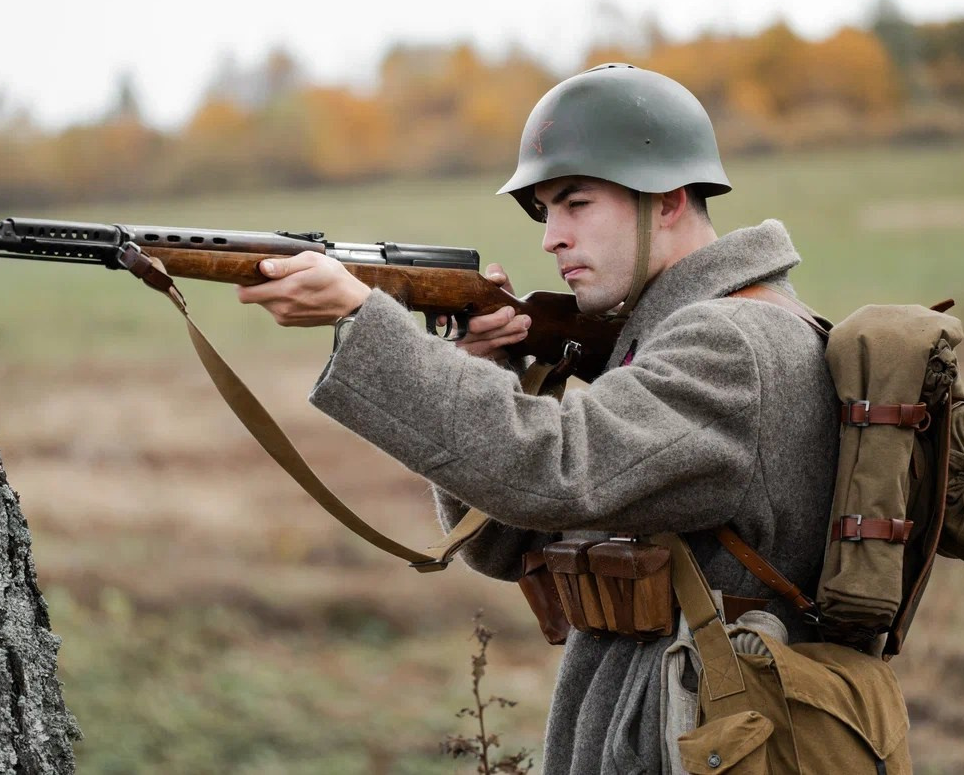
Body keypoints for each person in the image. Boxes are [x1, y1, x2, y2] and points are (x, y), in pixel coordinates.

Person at [237, 64, 838, 774]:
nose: (551, 237)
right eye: (544, 210)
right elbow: (502, 542)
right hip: (673, 728)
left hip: (698, 737)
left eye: (576, 203)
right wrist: (486, 365)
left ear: (670, 197)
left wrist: (366, 320)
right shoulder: (675, 333)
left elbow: (559, 470)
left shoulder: (730, 345)